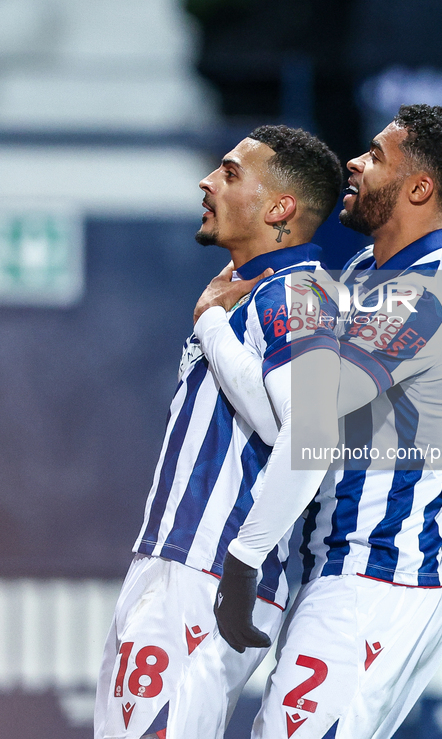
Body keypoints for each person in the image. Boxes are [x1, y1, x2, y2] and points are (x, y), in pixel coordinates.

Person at [193, 104, 442, 739]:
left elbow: (303, 424)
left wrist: (213, 324)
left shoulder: (424, 295)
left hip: (373, 579)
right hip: (353, 575)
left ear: (419, 189)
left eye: (377, 156)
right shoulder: (366, 272)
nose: (354, 163)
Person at [94, 125, 344, 739]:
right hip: (176, 562)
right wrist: (213, 321)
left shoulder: (301, 291)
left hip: (207, 571)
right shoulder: (247, 296)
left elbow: (308, 437)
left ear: (280, 207)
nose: (207, 182)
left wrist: (210, 327)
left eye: (231, 173)